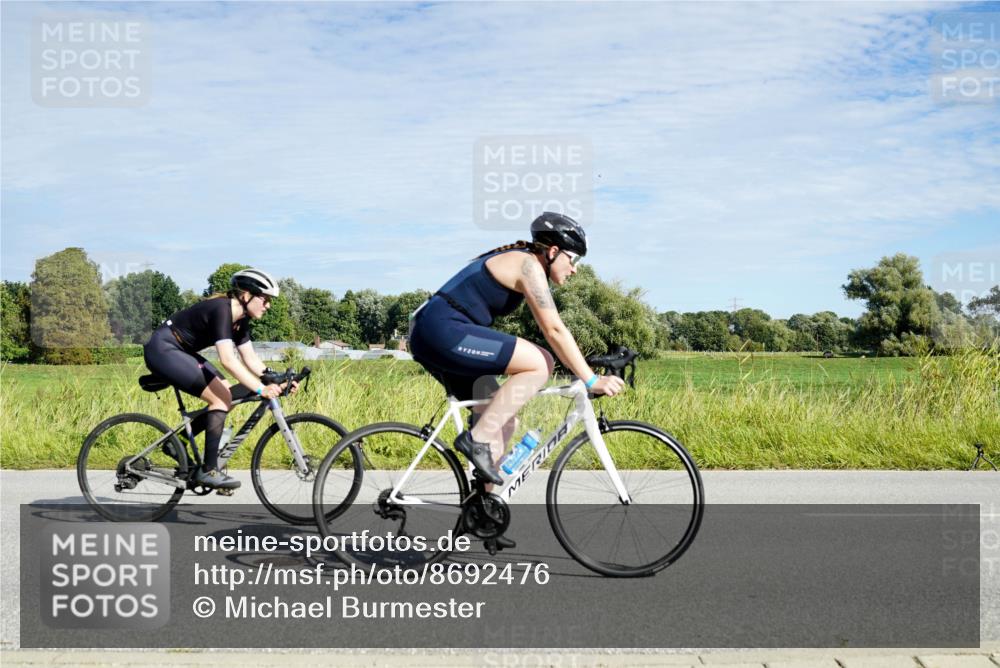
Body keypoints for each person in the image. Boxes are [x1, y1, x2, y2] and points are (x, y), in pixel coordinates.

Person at [408, 212, 625, 494]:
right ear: (554, 251)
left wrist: (586, 365)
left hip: (441, 334)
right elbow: (554, 330)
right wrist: (592, 380)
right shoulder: (528, 266)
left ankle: (483, 513)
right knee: (540, 362)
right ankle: (477, 440)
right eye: (574, 259)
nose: (575, 268)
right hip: (440, 330)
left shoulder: (526, 262)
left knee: (503, 422)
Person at [142, 268, 292, 490]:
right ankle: (209, 470)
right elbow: (228, 361)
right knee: (221, 399)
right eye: (265, 299)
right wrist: (261, 390)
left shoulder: (241, 320)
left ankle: (177, 444)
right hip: (162, 349)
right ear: (246, 295)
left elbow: (250, 359)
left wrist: (276, 378)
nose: (268, 305)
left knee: (226, 395)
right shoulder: (222, 310)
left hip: (180, 351)